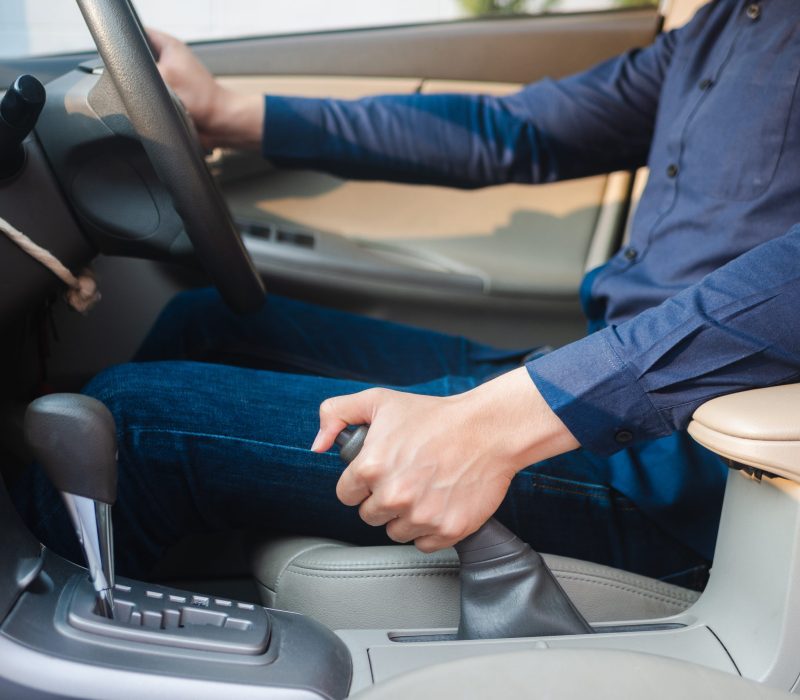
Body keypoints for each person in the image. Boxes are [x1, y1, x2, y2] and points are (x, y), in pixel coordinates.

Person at [12, 1, 800, 590]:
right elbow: (514, 128)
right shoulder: (729, 24)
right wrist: (229, 114)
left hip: (687, 467)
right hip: (598, 383)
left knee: (132, 421)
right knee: (203, 321)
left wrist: (503, 424)